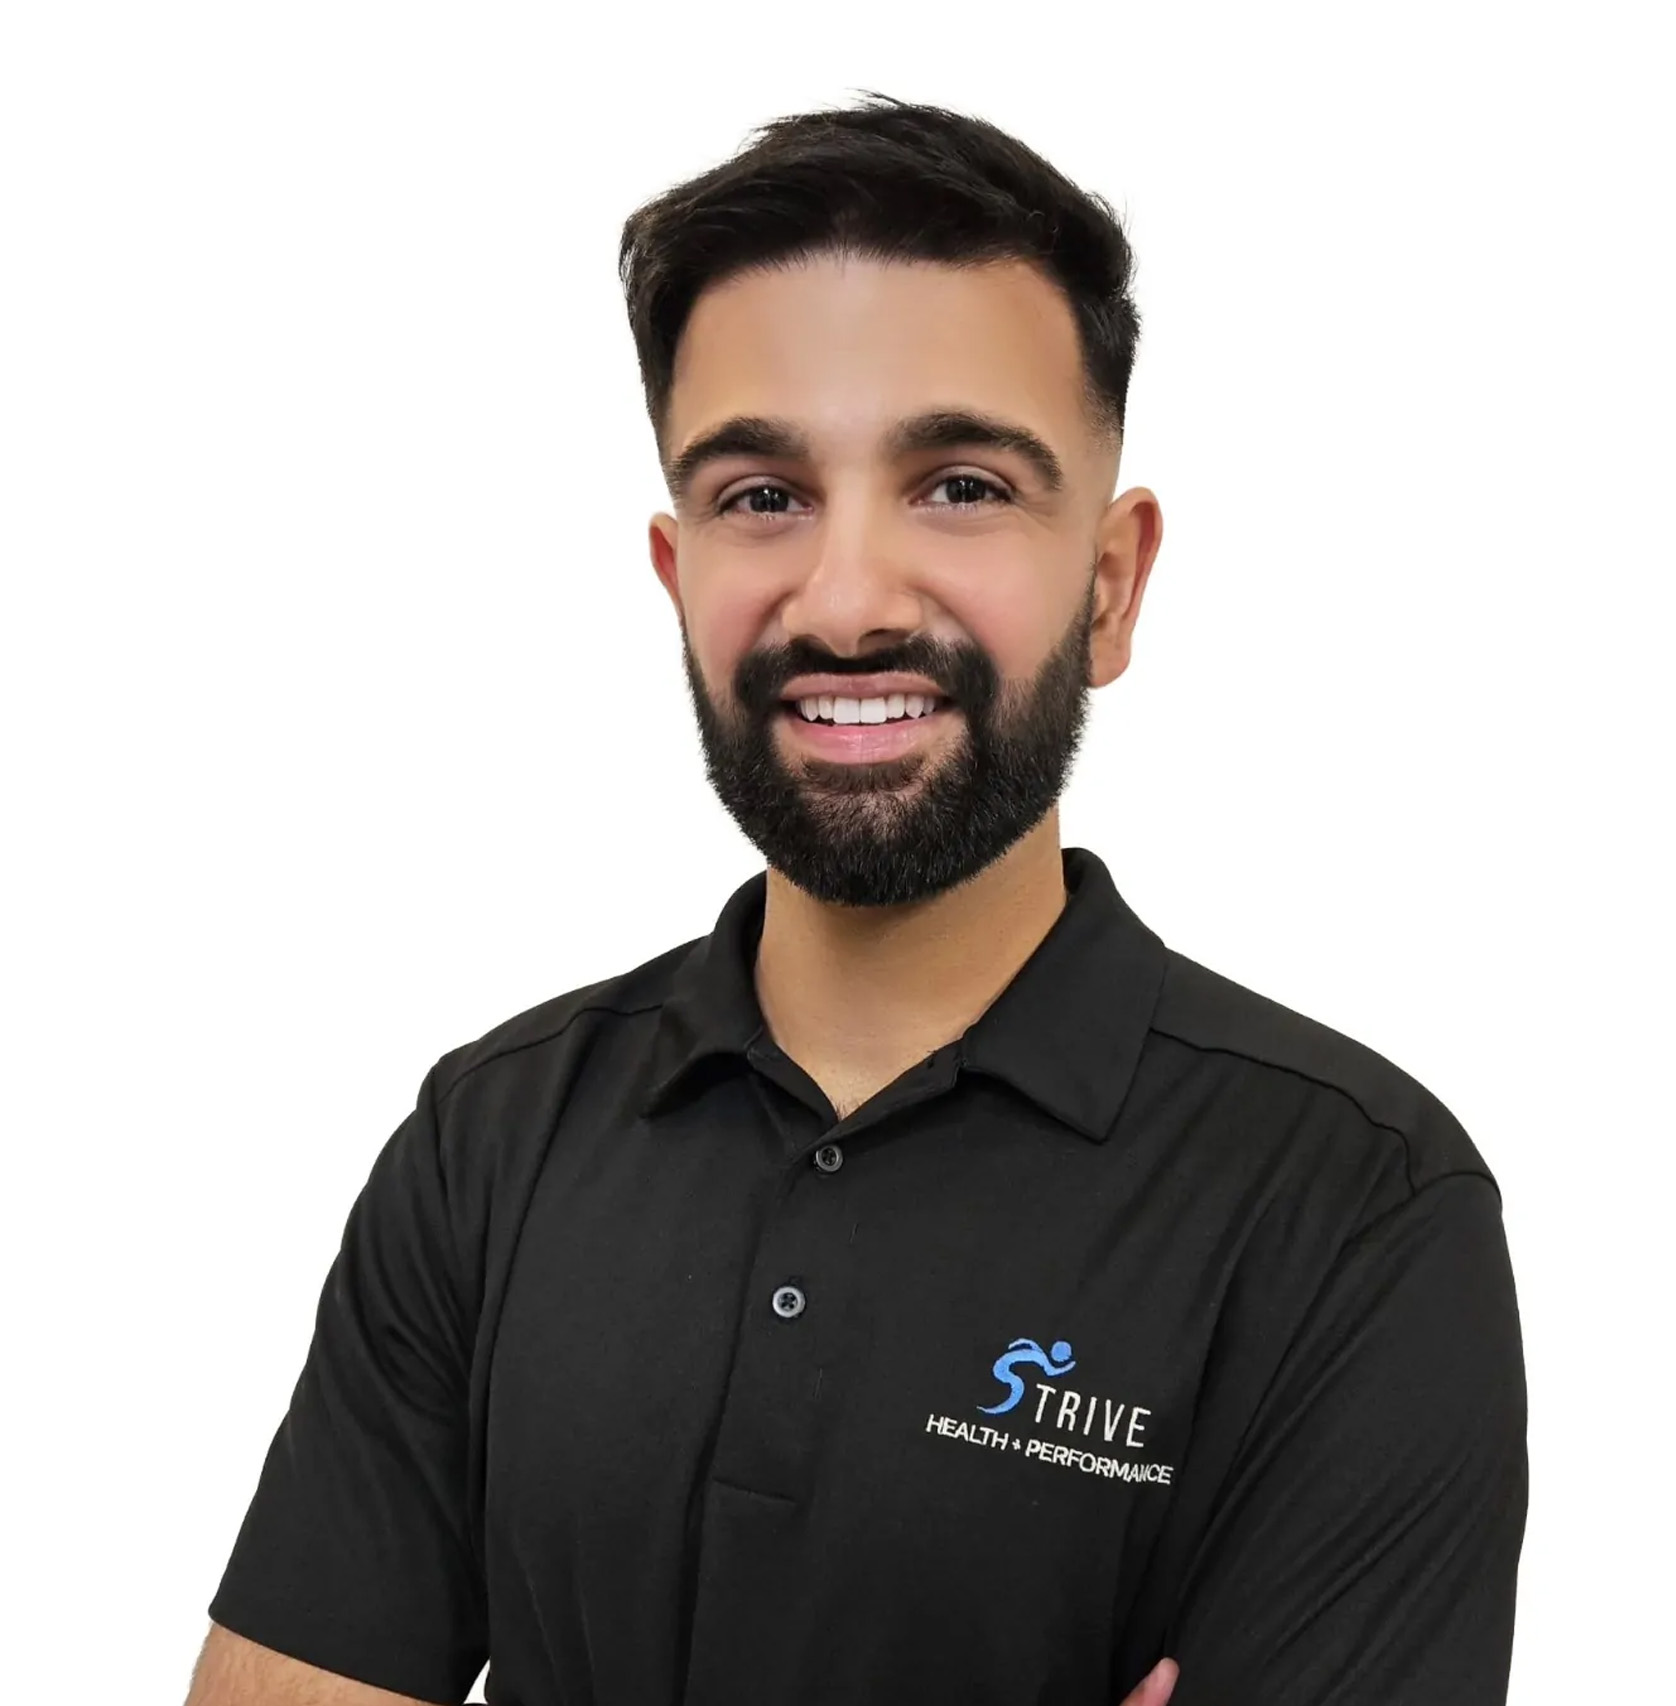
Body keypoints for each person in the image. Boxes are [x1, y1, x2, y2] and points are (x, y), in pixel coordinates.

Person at [187, 91, 1527, 1706]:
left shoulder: (1352, 1210)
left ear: (1108, 585)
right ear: (680, 576)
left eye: (959, 483)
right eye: (761, 494)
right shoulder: (489, 1145)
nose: (843, 601)